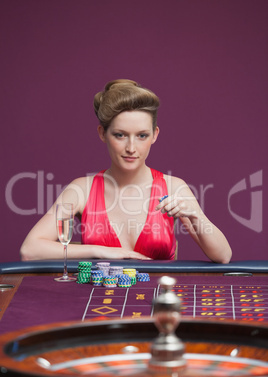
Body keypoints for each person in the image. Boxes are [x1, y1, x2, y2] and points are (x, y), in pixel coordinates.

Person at [20, 79, 232, 263]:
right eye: (120, 135)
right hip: (100, 303)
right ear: (102, 133)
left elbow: (223, 256)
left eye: (142, 135)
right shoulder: (81, 189)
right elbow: (30, 250)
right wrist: (100, 251)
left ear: (155, 135)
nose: (131, 148)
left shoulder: (173, 187)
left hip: (156, 303)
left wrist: (195, 216)